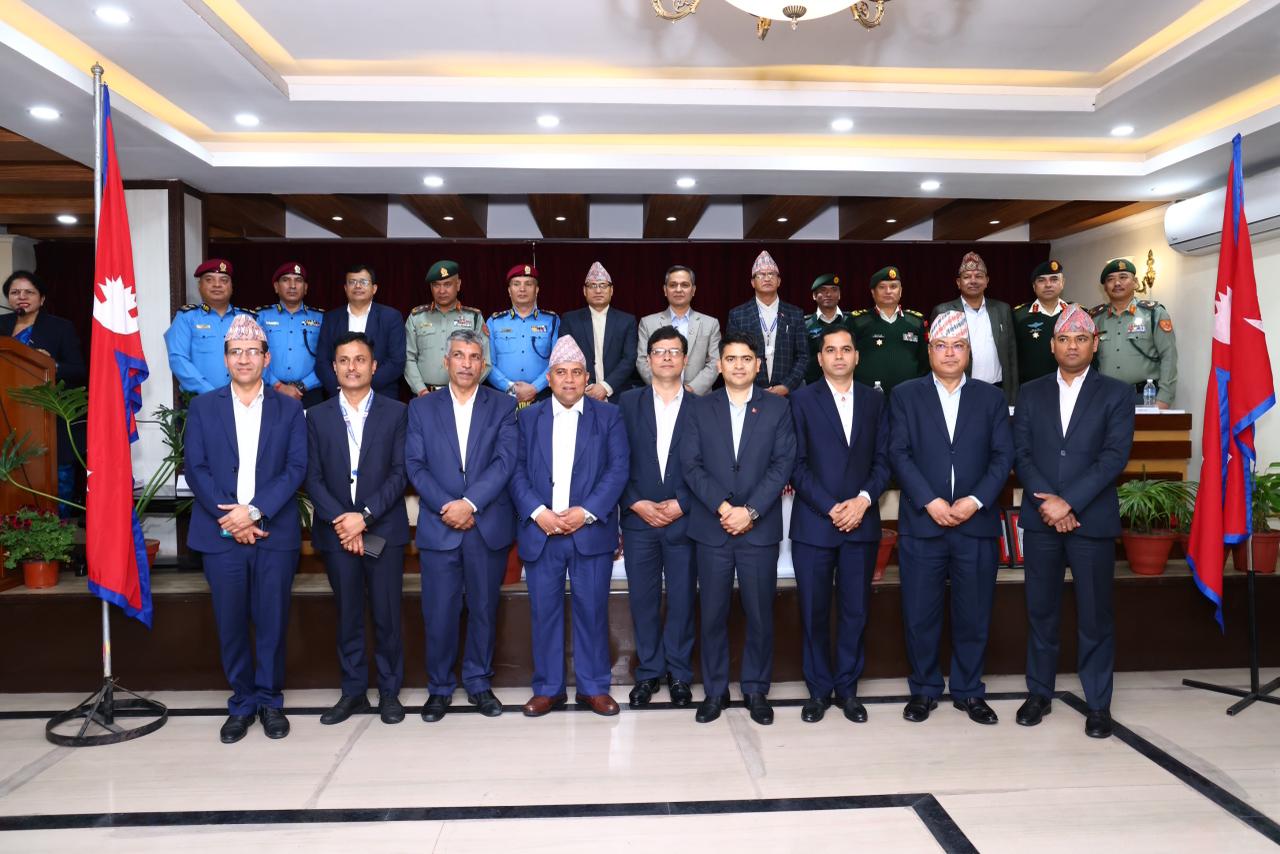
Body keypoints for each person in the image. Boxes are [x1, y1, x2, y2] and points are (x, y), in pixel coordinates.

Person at [183, 314, 307, 744]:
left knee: (272, 620)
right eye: (235, 352)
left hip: (273, 532)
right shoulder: (203, 407)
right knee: (231, 621)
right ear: (225, 359)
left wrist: (253, 512)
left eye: (252, 351)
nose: (244, 359)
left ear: (266, 358)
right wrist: (232, 518)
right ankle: (241, 703)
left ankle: (270, 701)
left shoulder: (289, 409)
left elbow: (296, 468)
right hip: (220, 533)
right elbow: (195, 468)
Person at [1013, 304, 1133, 739]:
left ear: (1094, 344)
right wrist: (1051, 504)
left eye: (1081, 339)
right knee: (1040, 611)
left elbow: (1113, 457)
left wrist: (1070, 503)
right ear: (1052, 346)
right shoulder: (1031, 392)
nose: (1072, 346)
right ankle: (1039, 693)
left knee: (1095, 616)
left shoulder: (1116, 393)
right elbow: (1021, 454)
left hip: (1090, 520)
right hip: (1041, 519)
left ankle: (1098, 704)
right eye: (1064, 339)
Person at [888, 310, 1013, 726]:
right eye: (941, 346)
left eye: (958, 346)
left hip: (975, 523)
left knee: (974, 613)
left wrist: (975, 501)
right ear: (929, 351)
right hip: (923, 523)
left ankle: (968, 690)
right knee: (920, 613)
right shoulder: (905, 395)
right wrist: (930, 501)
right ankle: (924, 690)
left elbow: (1003, 456)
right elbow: (898, 453)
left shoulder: (991, 398)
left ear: (969, 352)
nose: (949, 353)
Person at [509, 336, 629, 717]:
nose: (569, 380)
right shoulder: (528, 418)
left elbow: (618, 470)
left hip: (589, 531)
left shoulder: (608, 416)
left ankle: (594, 688)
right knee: (544, 613)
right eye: (561, 373)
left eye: (577, 373)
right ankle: (549, 689)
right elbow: (515, 471)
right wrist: (538, 512)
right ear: (549, 378)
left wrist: (586, 512)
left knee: (592, 611)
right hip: (541, 531)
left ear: (587, 377)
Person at [681, 331, 797, 725]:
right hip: (712, 528)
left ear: (758, 365)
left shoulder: (777, 408)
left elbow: (783, 464)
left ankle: (756, 690)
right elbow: (691, 465)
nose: (739, 365)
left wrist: (749, 511)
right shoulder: (699, 408)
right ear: (719, 365)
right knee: (712, 613)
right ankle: (715, 691)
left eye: (746, 359)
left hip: (758, 529)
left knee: (759, 614)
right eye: (731, 359)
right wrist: (723, 507)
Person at [406, 329, 518, 722]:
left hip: (485, 524)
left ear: (483, 365)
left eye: (473, 357)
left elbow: (505, 462)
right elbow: (415, 465)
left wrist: (469, 504)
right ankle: (439, 688)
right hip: (440, 527)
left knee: (483, 610)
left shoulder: (503, 405)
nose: (466, 364)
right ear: (445, 361)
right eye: (458, 355)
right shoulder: (421, 408)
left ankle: (478, 683)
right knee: (439, 613)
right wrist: (448, 506)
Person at [305, 332, 410, 727]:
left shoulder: (397, 412)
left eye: (360, 359)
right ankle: (352, 692)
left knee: (387, 614)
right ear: (334, 368)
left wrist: (363, 517)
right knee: (348, 614)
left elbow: (400, 473)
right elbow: (311, 477)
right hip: (337, 533)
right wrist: (343, 521)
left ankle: (389, 691)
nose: (352, 367)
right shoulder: (316, 416)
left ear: (374, 367)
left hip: (383, 529)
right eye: (344, 360)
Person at [788, 325, 891, 723]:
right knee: (813, 612)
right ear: (819, 358)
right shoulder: (801, 400)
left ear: (856, 356)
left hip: (861, 523)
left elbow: (884, 460)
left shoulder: (874, 400)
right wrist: (832, 507)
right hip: (815, 524)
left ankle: (848, 690)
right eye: (830, 350)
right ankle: (818, 691)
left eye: (846, 349)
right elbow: (796, 465)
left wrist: (863, 500)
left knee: (855, 611)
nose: (839, 356)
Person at [618, 326, 697, 708]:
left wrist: (684, 502)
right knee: (643, 600)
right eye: (659, 351)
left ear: (685, 359)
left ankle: (679, 673)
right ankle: (649, 672)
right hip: (639, 520)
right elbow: (614, 460)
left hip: (685, 518)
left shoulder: (702, 406)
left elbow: (711, 465)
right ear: (648, 359)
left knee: (682, 599)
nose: (667, 357)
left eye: (674, 351)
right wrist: (635, 502)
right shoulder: (626, 403)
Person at [1, 270, 87, 510]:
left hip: (48, 416)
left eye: (29, 292)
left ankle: (57, 527)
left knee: (57, 481)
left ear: (42, 299)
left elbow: (79, 370)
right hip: (7, 414)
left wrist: (52, 364)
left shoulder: (60, 328)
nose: (21, 297)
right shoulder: (1, 325)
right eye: (15, 292)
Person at [1089, 258, 1178, 408]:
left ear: (1136, 282)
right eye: (1110, 279)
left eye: (1123, 277)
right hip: (1104, 398)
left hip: (1144, 397)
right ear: (1105, 287)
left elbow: (1168, 356)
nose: (1117, 283)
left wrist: (1164, 398)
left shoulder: (1154, 314)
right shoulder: (1094, 318)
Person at [931, 252, 1018, 404]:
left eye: (978, 276)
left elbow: (1011, 355)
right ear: (958, 282)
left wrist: (1013, 397)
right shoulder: (943, 311)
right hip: (960, 390)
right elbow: (935, 355)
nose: (973, 281)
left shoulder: (1002, 310)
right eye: (967, 277)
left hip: (997, 389)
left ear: (987, 281)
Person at [165, 259, 257, 395]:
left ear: (232, 286)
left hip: (244, 397)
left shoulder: (248, 319)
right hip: (200, 398)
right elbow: (178, 359)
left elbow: (259, 358)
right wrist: (209, 393)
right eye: (209, 280)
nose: (217, 285)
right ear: (200, 285)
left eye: (224, 280)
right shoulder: (186, 318)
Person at [315, 264, 406, 398]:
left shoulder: (391, 317)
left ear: (374, 288)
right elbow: (322, 361)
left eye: (364, 282)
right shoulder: (331, 318)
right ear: (345, 288)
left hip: (380, 394)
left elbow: (396, 361)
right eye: (352, 282)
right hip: (339, 394)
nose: (358, 286)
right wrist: (340, 388)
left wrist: (363, 387)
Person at [725, 251, 807, 394]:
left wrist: (786, 386)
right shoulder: (738, 315)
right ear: (752, 282)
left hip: (788, 393)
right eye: (761, 275)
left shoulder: (795, 314)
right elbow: (731, 355)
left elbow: (803, 356)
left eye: (771, 274)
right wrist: (751, 388)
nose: (767, 278)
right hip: (749, 392)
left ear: (779, 281)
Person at [404, 259, 490, 396]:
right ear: (431, 288)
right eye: (436, 285)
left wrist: (467, 387)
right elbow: (408, 358)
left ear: (458, 285)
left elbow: (485, 360)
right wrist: (421, 390)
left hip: (464, 394)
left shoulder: (474, 318)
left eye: (447, 284)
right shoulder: (417, 317)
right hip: (425, 394)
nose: (442, 290)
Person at [558, 261, 637, 403]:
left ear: (611, 290)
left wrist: (605, 387)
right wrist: (587, 386)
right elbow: (566, 358)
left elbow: (629, 359)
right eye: (592, 286)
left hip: (618, 394)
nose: (598, 291)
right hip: (580, 394)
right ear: (584, 291)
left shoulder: (627, 321)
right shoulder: (570, 320)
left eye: (603, 285)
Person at [636, 265, 721, 396]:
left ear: (693, 290)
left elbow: (715, 362)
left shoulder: (710, 323)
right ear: (665, 290)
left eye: (685, 285)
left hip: (699, 397)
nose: (678, 289)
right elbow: (642, 361)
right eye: (673, 285)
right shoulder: (647, 323)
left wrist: (691, 389)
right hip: (659, 396)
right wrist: (664, 387)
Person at [486, 264, 559, 407]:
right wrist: (510, 388)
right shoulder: (494, 322)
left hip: (542, 396)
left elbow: (557, 362)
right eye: (516, 284)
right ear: (509, 290)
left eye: (528, 284)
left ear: (536, 290)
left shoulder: (552, 320)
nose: (522, 289)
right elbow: (487, 363)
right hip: (503, 396)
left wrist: (535, 387)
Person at [849, 265, 929, 393]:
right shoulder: (858, 322)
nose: (888, 291)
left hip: (908, 396)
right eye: (882, 287)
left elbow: (925, 362)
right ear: (873, 292)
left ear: (900, 291)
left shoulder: (916, 322)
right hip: (867, 396)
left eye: (893, 286)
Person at [258, 262, 325, 407]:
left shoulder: (321, 318)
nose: (292, 285)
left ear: (305, 288)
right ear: (276, 287)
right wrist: (277, 385)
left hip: (310, 393)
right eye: (286, 280)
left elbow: (327, 358)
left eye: (298, 280)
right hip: (270, 390)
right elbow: (255, 356)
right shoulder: (261, 317)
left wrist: (303, 386)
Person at [1012, 260, 1066, 385]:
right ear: (1034, 286)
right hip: (1031, 387)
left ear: (1062, 283)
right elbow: (1011, 357)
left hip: (1070, 386)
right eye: (1041, 280)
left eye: (1054, 279)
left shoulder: (1076, 313)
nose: (1048, 285)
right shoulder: (1018, 316)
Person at [802, 273, 853, 384]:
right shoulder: (804, 324)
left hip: (847, 383)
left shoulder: (852, 321)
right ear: (814, 296)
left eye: (834, 290)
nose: (829, 294)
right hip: (814, 384)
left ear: (839, 295)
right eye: (823, 290)